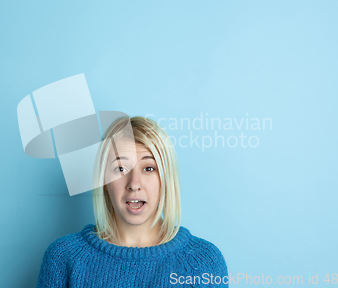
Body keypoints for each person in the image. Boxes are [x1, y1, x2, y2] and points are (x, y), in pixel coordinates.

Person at [36, 116, 228, 287]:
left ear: (166, 179)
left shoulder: (204, 263)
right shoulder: (63, 257)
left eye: (149, 168)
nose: (134, 184)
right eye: (120, 168)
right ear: (104, 180)